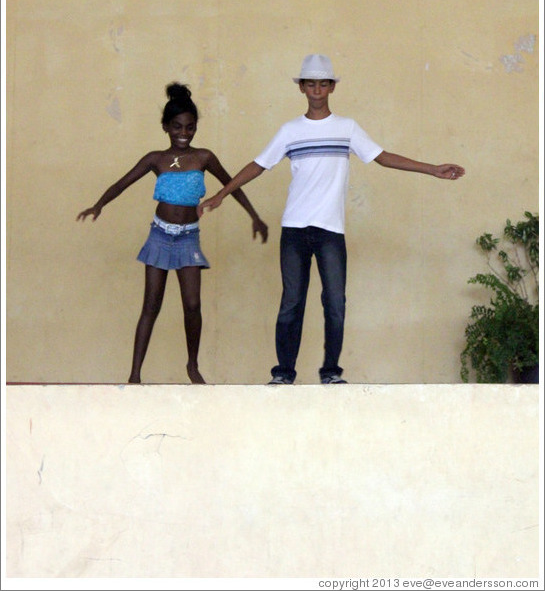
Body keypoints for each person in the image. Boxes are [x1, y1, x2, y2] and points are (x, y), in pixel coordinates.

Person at [198, 54, 465, 385]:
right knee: (291, 303)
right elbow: (259, 164)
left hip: (330, 231)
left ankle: (331, 373)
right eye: (311, 84)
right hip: (295, 229)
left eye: (323, 83)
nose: (317, 90)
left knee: (335, 302)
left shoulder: (347, 128)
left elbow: (382, 157)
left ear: (332, 87)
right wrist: (222, 194)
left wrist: (432, 169)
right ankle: (283, 374)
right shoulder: (290, 131)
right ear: (302, 88)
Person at [77, 82, 268, 385]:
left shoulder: (204, 157)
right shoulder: (156, 159)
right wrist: (99, 204)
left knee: (192, 304)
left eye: (190, 128)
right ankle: (135, 374)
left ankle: (192, 365)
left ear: (195, 128)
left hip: (188, 237)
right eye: (177, 127)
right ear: (165, 127)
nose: (184, 133)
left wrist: (254, 216)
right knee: (151, 305)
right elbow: (123, 182)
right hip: (159, 236)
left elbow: (231, 186)